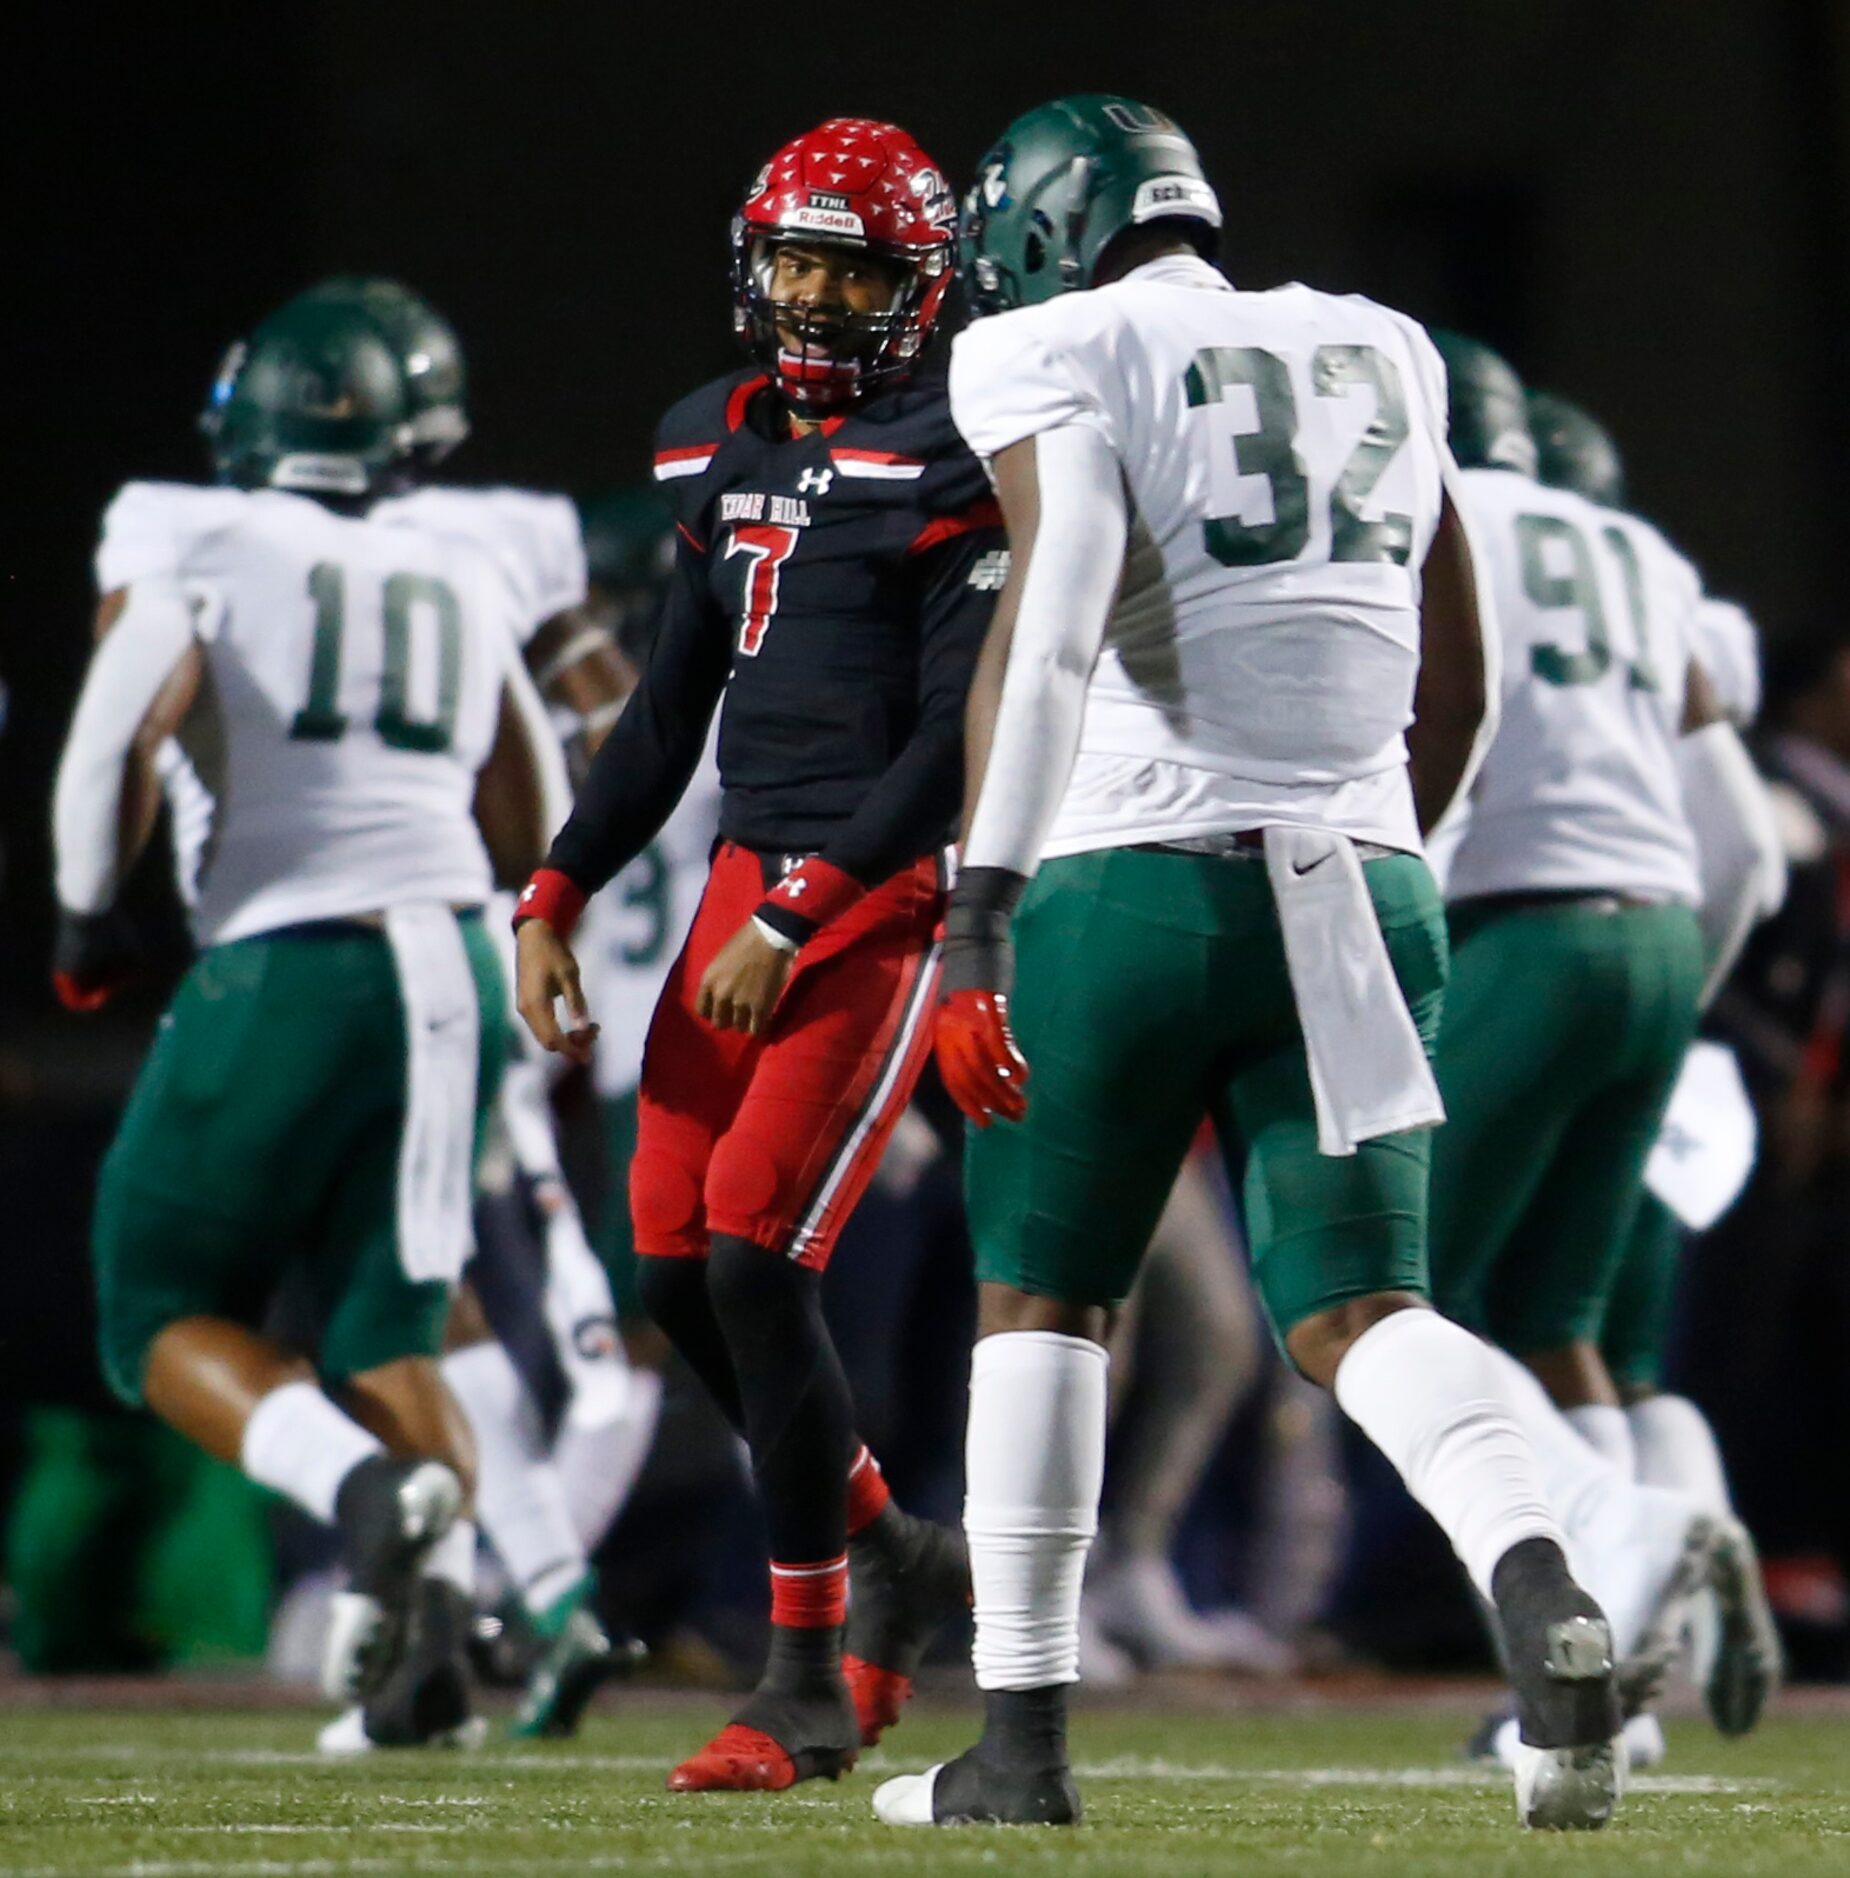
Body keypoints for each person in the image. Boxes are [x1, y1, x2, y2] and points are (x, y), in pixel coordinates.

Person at [874, 93, 1750, 1834]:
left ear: (1048, 226)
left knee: (1043, 1297)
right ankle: (1539, 1580)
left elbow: (1046, 640)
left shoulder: (1053, 341)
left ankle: (1022, 1748)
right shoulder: (1383, 345)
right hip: (1357, 878)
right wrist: (1371, 849)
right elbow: (1462, 668)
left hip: (1118, 880)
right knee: (1366, 1308)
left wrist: (980, 903)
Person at [512, 118, 996, 1791]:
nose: (807, 293)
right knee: (666, 1262)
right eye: (790, 258)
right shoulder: (705, 441)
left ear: (914, 287)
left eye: (846, 267)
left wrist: (803, 910)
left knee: (751, 1259)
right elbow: (663, 714)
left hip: (864, 898)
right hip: (737, 883)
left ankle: (799, 1674)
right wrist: (554, 888)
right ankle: (889, 1544)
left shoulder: (957, 456)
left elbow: (955, 737)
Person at [51, 293, 551, 1748]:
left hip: (288, 956)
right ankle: (428, 1666)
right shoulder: (453, 564)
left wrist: (90, 910)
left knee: (155, 1310)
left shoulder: (185, 528)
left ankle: (360, 1493)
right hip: (449, 959)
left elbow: (118, 719)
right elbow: (534, 813)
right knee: (392, 1318)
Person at [1422, 342, 1782, 1745]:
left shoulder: (1437, 522)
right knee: (1555, 1325)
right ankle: (1604, 1698)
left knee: (1386, 1307)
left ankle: (1622, 1548)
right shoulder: (1628, 546)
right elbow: (1742, 838)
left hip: (1517, 931)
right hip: (1660, 941)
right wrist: (1671, 986)